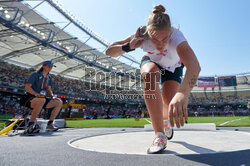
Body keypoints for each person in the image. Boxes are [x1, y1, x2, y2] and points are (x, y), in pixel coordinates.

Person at [106, 5, 201, 154]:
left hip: (173, 68)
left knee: (168, 101)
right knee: (150, 75)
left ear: (170, 32)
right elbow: (109, 51)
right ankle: (159, 135)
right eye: (155, 39)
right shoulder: (141, 34)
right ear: (148, 33)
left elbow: (194, 66)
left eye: (164, 38)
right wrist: (128, 46)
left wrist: (182, 93)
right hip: (152, 62)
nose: (160, 44)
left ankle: (165, 122)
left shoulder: (177, 37)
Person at [20, 60, 63, 134]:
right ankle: (31, 125)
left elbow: (48, 89)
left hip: (41, 98)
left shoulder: (49, 78)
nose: (50, 68)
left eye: (51, 66)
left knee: (58, 101)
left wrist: (52, 96)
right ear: (43, 66)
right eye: (49, 66)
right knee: (41, 100)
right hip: (29, 98)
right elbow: (27, 87)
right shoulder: (35, 74)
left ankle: (50, 123)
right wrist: (35, 94)